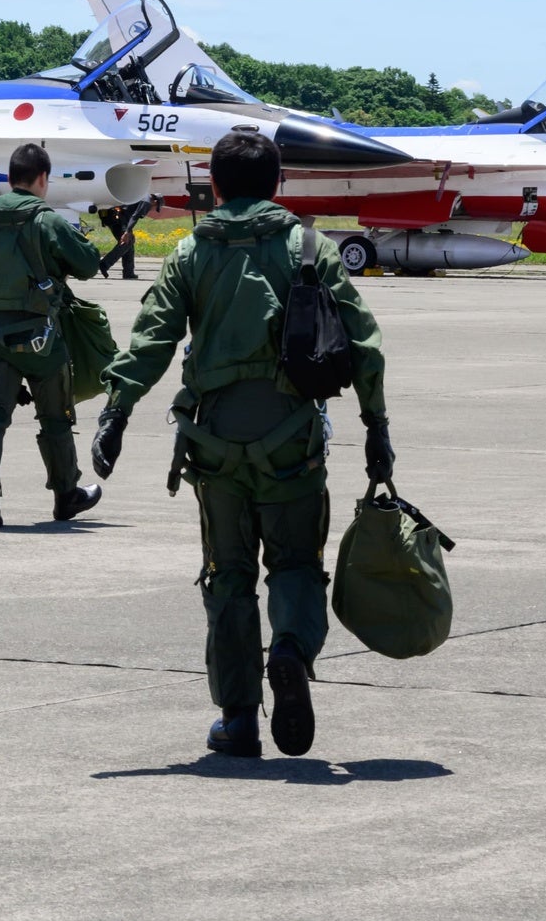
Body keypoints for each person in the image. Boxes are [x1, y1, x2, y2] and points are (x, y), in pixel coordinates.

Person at [89, 127, 390, 761]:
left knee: (228, 577)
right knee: (297, 565)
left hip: (214, 444)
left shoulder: (189, 253)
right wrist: (377, 432)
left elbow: (152, 338)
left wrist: (115, 410)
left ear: (216, 186)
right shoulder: (313, 247)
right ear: (278, 184)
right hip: (293, 443)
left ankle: (238, 719)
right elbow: (363, 345)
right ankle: (290, 650)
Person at [0, 141, 105, 530]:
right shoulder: (49, 221)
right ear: (43, 178)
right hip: (41, 340)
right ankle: (65, 497)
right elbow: (88, 265)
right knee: (56, 418)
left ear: (11, 179)